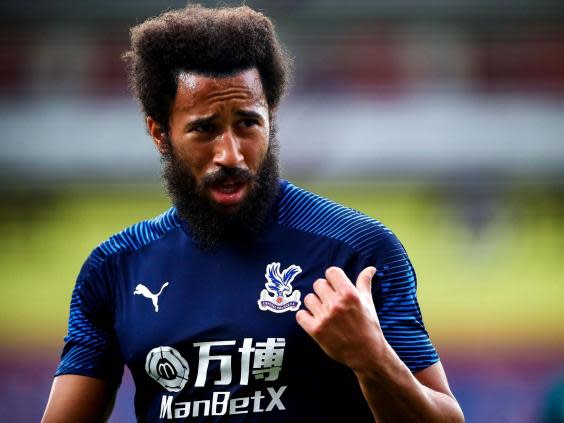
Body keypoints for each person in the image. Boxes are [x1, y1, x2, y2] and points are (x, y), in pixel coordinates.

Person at [42, 4, 464, 422]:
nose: (231, 154)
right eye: (204, 129)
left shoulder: (357, 252)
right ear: (160, 133)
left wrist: (372, 358)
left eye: (247, 123)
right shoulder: (114, 269)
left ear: (271, 119)